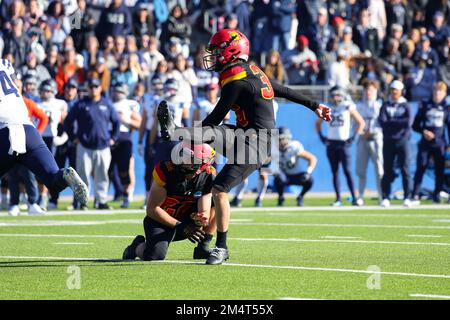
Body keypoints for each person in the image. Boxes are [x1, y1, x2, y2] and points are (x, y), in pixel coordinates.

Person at [157, 29, 331, 264]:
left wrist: (187, 136)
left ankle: (222, 247)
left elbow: (214, 118)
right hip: (244, 135)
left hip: (257, 144)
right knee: (210, 136)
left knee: (219, 189)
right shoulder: (253, 71)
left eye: (218, 52)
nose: (214, 57)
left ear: (231, 50)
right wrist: (314, 105)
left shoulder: (236, 81)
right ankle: (204, 245)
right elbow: (282, 90)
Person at [0, 58, 88, 210]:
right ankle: (64, 174)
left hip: (5, 132)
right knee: (53, 180)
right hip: (29, 130)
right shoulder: (4, 64)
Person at [122, 142, 217, 261]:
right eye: (183, 155)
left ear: (202, 164)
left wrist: (199, 219)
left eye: (190, 158)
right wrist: (181, 226)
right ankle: (136, 246)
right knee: (155, 256)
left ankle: (203, 247)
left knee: (219, 201)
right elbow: (152, 209)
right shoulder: (166, 170)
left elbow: (205, 211)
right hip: (161, 221)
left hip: (187, 220)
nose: (183, 160)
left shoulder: (208, 175)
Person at [64, 78, 120, 209]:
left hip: (103, 146)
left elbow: (117, 122)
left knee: (102, 175)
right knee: (83, 176)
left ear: (100, 88)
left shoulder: (107, 104)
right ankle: (83, 202)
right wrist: (73, 138)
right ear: (88, 89)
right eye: (91, 86)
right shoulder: (80, 105)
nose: (94, 89)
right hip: (84, 146)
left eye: (96, 86)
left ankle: (101, 201)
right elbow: (67, 122)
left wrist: (114, 138)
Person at [316, 85, 365, 206]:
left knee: (347, 171)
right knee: (335, 172)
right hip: (331, 143)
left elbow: (361, 123)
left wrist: (354, 137)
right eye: (333, 94)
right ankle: (338, 199)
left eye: (337, 94)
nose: (334, 97)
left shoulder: (348, 106)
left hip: (344, 143)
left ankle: (354, 197)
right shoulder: (328, 107)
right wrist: (321, 136)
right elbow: (317, 123)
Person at [412, 81, 450, 204]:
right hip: (425, 143)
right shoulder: (425, 105)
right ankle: (415, 194)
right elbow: (415, 125)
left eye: (440, 91)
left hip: (440, 143)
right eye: (435, 91)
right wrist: (424, 131)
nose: (437, 93)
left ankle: (437, 194)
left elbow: (449, 127)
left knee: (439, 170)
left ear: (444, 93)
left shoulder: (446, 108)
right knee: (421, 167)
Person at [379, 80, 413, 207]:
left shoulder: (406, 105)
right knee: (387, 170)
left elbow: (408, 122)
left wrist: (391, 122)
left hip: (402, 141)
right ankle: (385, 196)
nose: (394, 92)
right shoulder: (385, 105)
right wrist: (398, 122)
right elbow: (382, 121)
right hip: (388, 141)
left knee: (405, 169)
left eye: (396, 90)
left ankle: (407, 197)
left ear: (401, 91)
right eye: (392, 89)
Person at [37, 79, 68, 210]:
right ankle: (41, 197)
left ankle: (53, 198)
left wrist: (63, 138)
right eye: (44, 90)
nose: (46, 93)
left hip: (53, 139)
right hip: (39, 138)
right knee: (40, 170)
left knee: (54, 170)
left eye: (49, 90)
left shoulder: (60, 104)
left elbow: (67, 125)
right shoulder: (36, 104)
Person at [110, 82, 141, 208]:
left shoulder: (130, 104)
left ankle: (127, 195)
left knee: (125, 170)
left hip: (124, 138)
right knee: (109, 170)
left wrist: (125, 120)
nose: (118, 93)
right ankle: (119, 193)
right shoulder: (109, 104)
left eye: (120, 91)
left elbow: (138, 123)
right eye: (116, 91)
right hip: (110, 139)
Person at [356, 80, 384, 205]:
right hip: (362, 139)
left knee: (379, 170)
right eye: (367, 89)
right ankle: (360, 196)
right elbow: (354, 124)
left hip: (376, 139)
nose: (368, 92)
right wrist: (361, 133)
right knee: (361, 170)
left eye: (371, 90)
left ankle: (382, 196)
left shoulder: (379, 105)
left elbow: (383, 124)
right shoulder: (359, 106)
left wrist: (373, 132)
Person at [275, 127, 317, 207]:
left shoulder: (294, 146)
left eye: (282, 138)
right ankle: (281, 197)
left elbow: (312, 158)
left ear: (288, 138)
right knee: (278, 176)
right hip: (284, 176)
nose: (280, 141)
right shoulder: (273, 148)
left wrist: (308, 172)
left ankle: (300, 196)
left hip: (296, 175)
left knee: (309, 179)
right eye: (278, 139)